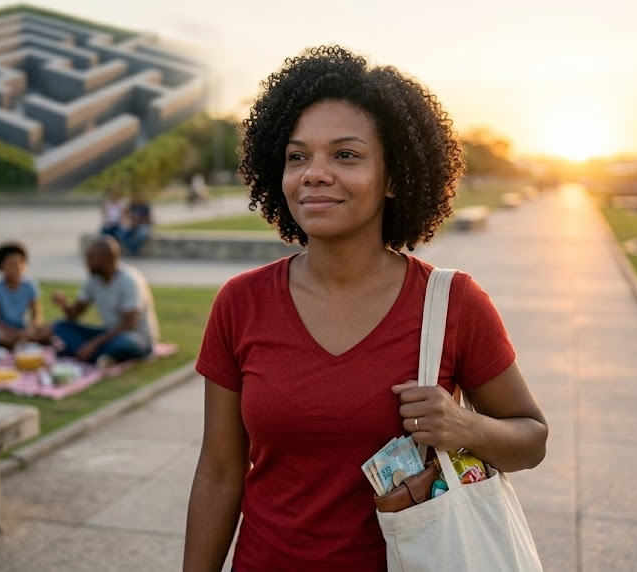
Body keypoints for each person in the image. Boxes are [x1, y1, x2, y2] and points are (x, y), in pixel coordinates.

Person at [183, 46, 548, 572]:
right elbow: (219, 470)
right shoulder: (239, 303)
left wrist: (465, 429)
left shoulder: (453, 303)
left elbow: (531, 439)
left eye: (346, 155)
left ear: (395, 177)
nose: (314, 173)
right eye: (297, 155)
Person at [51, 236, 160, 366]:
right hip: (109, 334)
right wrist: (64, 304)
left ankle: (84, 354)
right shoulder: (93, 280)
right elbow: (74, 315)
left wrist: (93, 344)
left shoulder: (129, 280)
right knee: (60, 327)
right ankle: (100, 356)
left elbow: (129, 325)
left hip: (136, 337)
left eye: (90, 258)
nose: (86, 262)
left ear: (106, 259)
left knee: (125, 343)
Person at [0, 241, 54, 349]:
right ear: (1, 267)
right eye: (11, 264)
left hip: (24, 328)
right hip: (4, 330)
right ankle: (21, 344)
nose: (17, 268)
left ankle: (20, 344)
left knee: (51, 328)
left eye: (21, 262)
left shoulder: (30, 285)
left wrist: (29, 329)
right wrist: (16, 334)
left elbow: (37, 316)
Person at [121, 190, 153, 255]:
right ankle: (132, 249)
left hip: (142, 225)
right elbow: (125, 215)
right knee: (122, 234)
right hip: (132, 225)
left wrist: (139, 220)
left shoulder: (145, 206)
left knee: (140, 235)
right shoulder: (132, 206)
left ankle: (134, 250)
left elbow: (149, 219)